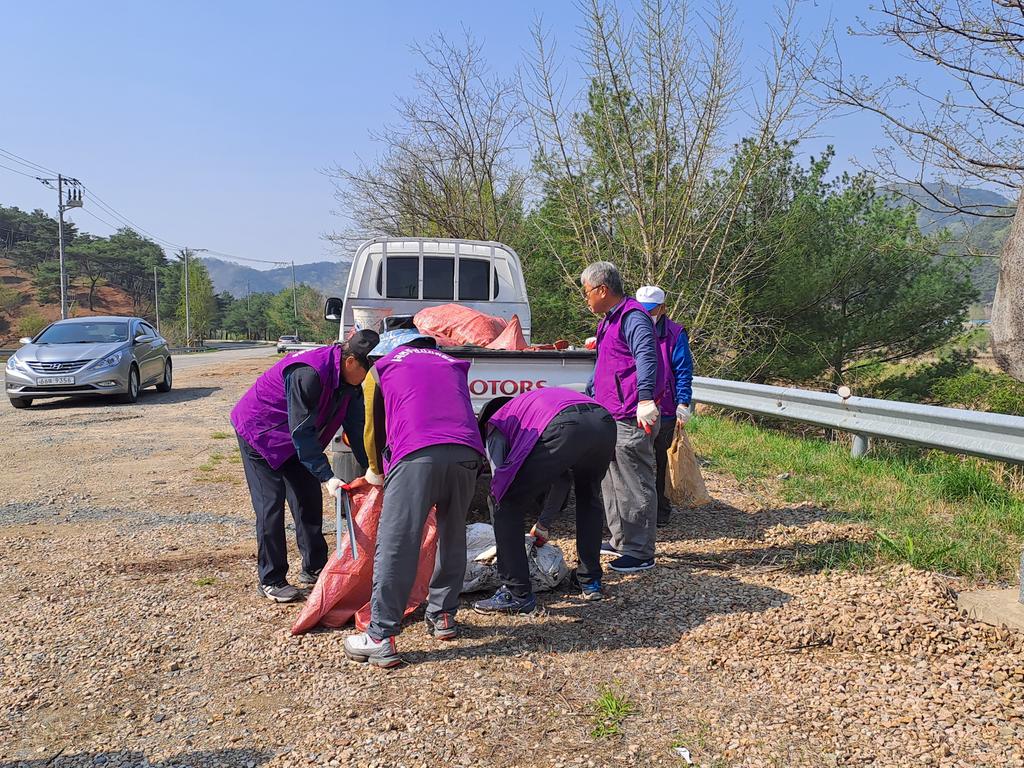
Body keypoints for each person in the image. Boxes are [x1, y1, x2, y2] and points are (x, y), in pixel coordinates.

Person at [342, 332, 484, 668]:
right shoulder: (453, 364)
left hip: (418, 454)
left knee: (398, 541)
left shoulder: (384, 367)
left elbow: (372, 427)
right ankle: (444, 616)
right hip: (468, 454)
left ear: (394, 347)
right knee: (453, 534)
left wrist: (376, 470)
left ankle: (380, 635)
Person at [231, 330, 380, 603]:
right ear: (350, 362)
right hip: (261, 433)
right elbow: (301, 430)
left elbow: (359, 429)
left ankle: (314, 567)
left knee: (308, 499)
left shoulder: (350, 385)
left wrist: (374, 466)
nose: (368, 378)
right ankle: (271, 579)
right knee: (270, 505)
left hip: (296, 441)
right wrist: (326, 475)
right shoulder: (309, 373)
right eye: (367, 370)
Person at [471, 388, 617, 614]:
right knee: (589, 497)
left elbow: (499, 481)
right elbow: (562, 479)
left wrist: (502, 518)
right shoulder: (530, 408)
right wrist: (543, 524)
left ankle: (517, 593)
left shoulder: (496, 423)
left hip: (564, 424)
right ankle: (590, 581)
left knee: (507, 506)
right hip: (603, 422)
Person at [580, 261, 661, 573]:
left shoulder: (633, 317)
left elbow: (646, 356)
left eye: (587, 292)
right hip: (611, 411)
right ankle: (620, 539)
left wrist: (644, 398)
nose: (586, 298)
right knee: (612, 480)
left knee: (634, 481)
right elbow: (606, 364)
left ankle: (640, 551)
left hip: (630, 414)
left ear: (603, 289)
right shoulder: (610, 320)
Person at [636, 285, 694, 527]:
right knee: (636, 458)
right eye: (642, 310)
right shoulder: (631, 328)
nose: (647, 314)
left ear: (663, 308)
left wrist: (683, 402)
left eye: (651, 310)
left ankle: (661, 509)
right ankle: (638, 510)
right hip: (638, 405)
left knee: (662, 459)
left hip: (666, 407)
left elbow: (683, 370)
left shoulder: (674, 334)